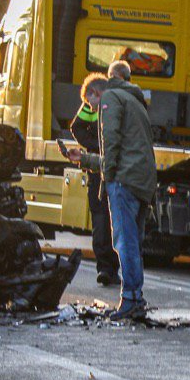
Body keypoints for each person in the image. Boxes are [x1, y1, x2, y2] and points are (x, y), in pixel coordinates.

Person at [65, 60, 156, 320]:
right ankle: (135, 296)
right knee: (133, 241)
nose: (93, 110)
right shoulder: (136, 101)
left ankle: (130, 300)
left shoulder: (111, 99)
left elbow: (111, 142)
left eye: (92, 105)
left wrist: (109, 176)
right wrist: (84, 159)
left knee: (123, 241)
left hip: (124, 180)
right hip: (142, 179)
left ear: (98, 91)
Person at [69, 73, 120, 286]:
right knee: (106, 218)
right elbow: (76, 127)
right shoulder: (112, 104)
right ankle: (109, 269)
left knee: (102, 218)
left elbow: (76, 127)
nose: (89, 106)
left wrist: (93, 146)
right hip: (103, 166)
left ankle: (107, 268)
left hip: (101, 166)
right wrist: (94, 145)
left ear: (96, 93)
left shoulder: (106, 105)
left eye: (89, 100)